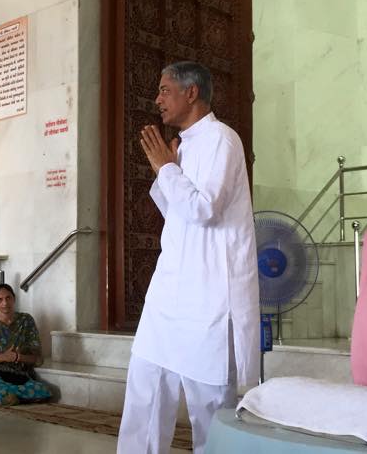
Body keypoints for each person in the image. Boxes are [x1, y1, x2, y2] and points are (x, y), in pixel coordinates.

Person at [118, 61, 261, 454]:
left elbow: (205, 209)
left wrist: (167, 168)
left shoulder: (221, 139)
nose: (158, 99)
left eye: (165, 90)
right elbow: (176, 210)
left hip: (208, 292)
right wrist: (166, 168)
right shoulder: (184, 145)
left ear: (191, 92)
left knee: (210, 406)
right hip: (170, 289)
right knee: (145, 390)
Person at [0, 284, 50, 406]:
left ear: (14, 299)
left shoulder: (26, 320)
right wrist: (1, 357)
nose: (5, 303)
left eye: (8, 298)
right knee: (7, 398)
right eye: (0, 300)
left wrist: (18, 357)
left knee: (44, 392)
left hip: (17, 375)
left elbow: (37, 358)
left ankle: (10, 395)